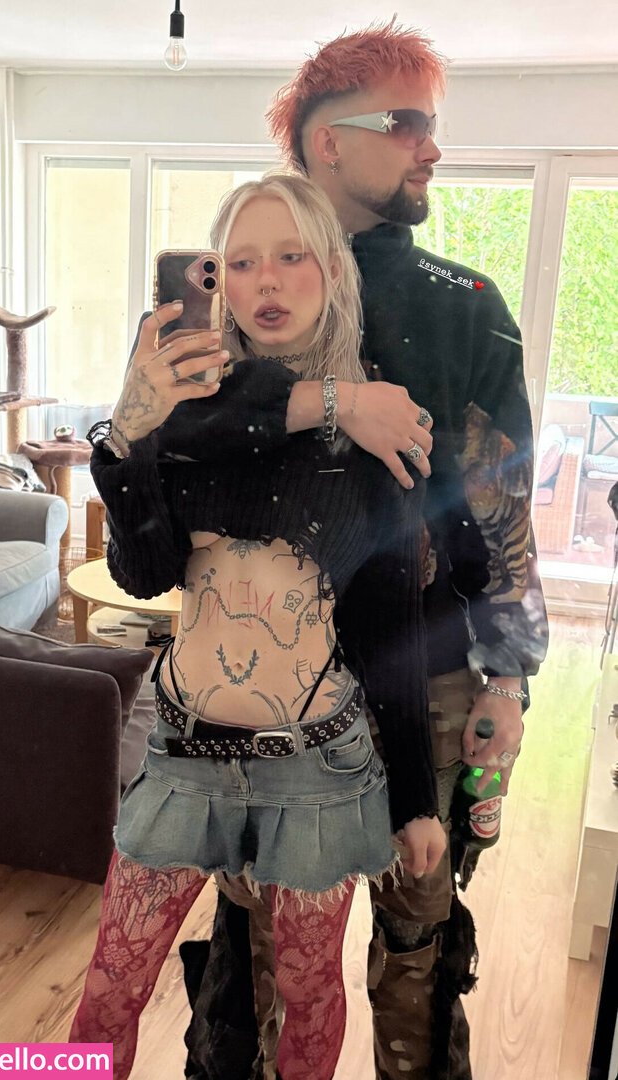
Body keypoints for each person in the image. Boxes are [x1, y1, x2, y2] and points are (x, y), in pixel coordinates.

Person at [181, 19, 549, 1080]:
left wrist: (508, 679)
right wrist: (325, 400)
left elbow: (500, 508)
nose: (431, 146)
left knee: (418, 949)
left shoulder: (462, 307)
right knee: (251, 953)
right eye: (407, 122)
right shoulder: (221, 292)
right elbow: (168, 448)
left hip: (426, 675)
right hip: (255, 682)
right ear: (326, 141)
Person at [69, 172, 446, 1080]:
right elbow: (142, 573)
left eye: (291, 256)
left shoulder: (378, 427)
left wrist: (414, 798)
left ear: (334, 271)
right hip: (181, 754)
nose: (265, 281)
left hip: (319, 767)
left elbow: (390, 632)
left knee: (309, 994)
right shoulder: (184, 411)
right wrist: (128, 438)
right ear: (216, 280)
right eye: (239, 262)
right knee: (107, 992)